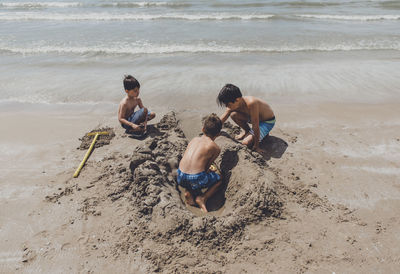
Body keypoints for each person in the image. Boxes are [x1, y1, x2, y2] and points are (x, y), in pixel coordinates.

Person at [177, 114, 222, 213]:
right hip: (195, 178)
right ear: (218, 134)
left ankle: (188, 192)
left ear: (202, 129)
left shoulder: (194, 139)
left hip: (180, 175)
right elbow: (205, 168)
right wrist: (211, 170)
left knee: (191, 174)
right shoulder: (215, 148)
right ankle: (202, 198)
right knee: (219, 180)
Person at [217, 84, 275, 152]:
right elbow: (222, 118)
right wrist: (212, 131)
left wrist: (256, 146)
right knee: (233, 115)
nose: (227, 106)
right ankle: (247, 131)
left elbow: (255, 126)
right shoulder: (235, 103)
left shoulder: (251, 103)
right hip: (254, 118)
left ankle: (262, 134)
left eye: (228, 104)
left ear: (237, 100)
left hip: (267, 122)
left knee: (245, 143)